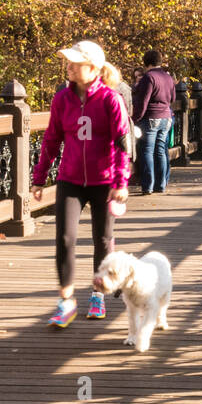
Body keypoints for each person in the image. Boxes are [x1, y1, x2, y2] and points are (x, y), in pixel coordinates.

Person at [30, 40, 130, 327]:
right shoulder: (62, 99)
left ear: (93, 68)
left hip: (104, 182)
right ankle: (66, 301)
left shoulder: (111, 99)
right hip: (70, 179)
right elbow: (51, 139)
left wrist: (121, 182)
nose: (69, 67)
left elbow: (123, 143)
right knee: (65, 239)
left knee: (102, 239)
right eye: (69, 62)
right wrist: (39, 178)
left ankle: (97, 295)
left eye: (75, 63)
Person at [131, 50, 176, 195]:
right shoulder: (168, 77)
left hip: (151, 117)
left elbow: (143, 101)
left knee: (147, 151)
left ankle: (148, 185)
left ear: (146, 62)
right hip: (166, 117)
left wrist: (135, 118)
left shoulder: (149, 77)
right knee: (161, 151)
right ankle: (161, 184)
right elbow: (173, 98)